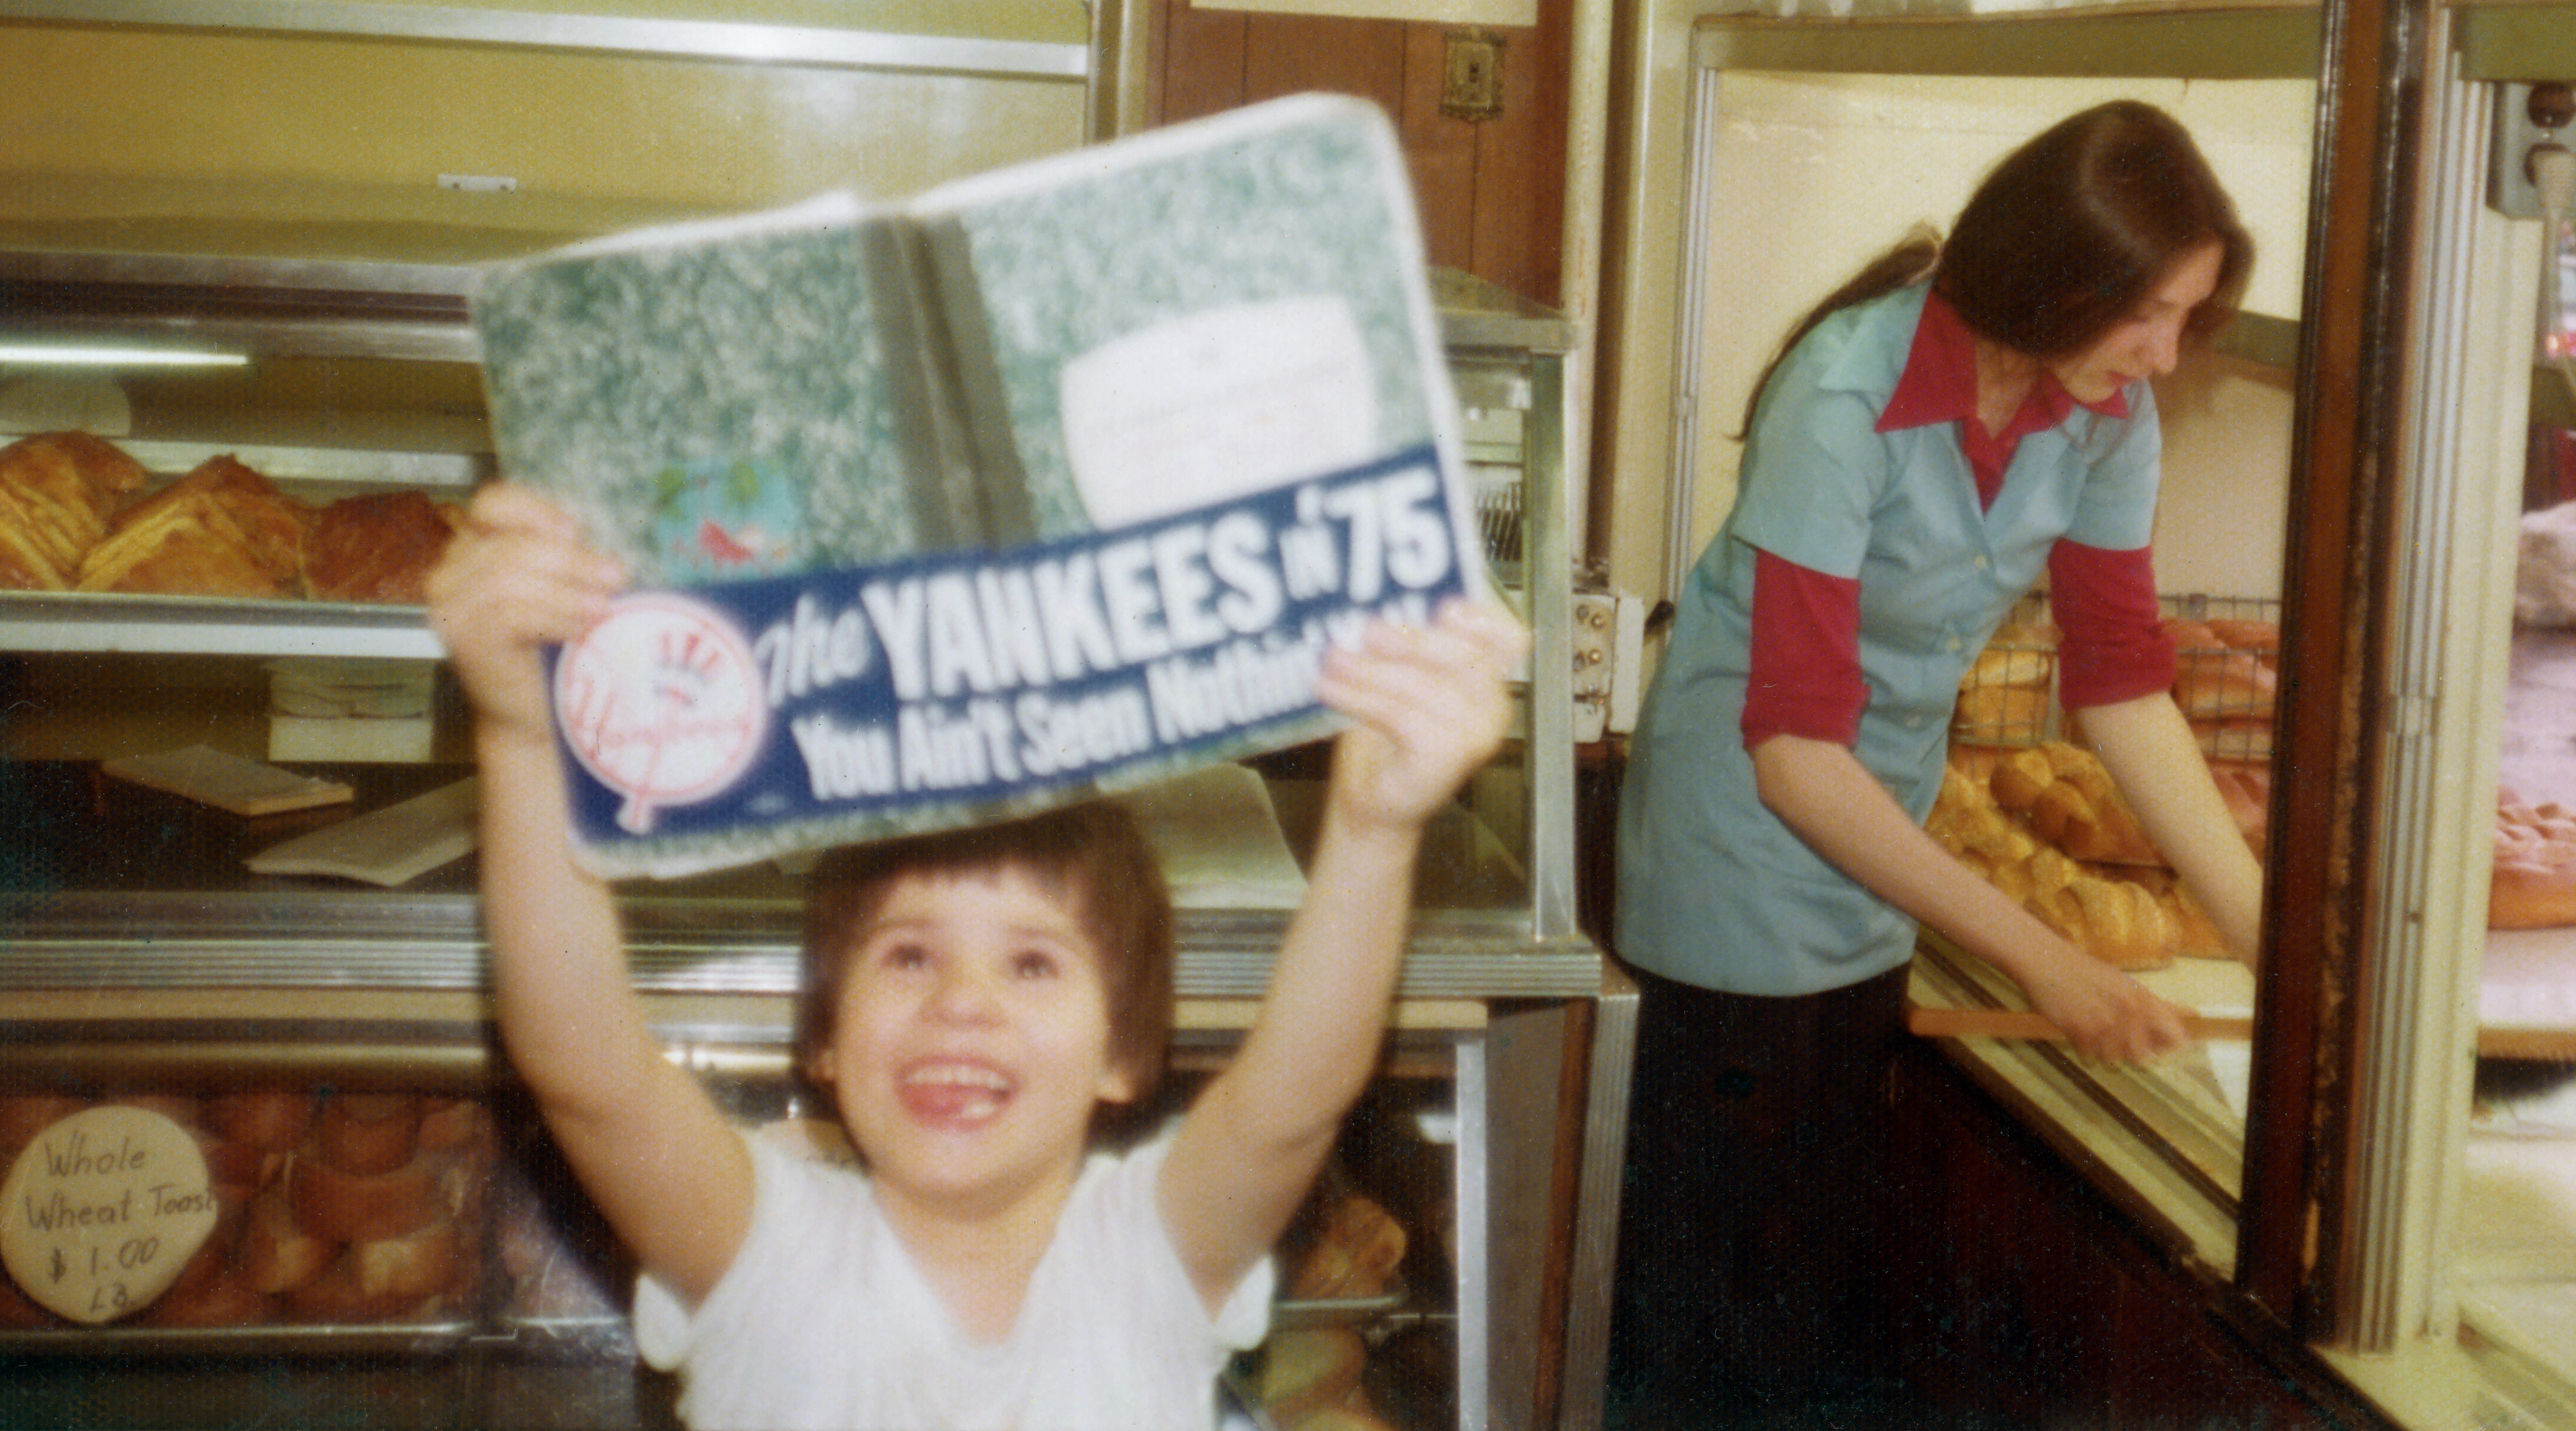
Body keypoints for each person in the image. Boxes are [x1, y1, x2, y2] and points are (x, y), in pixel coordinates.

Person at [431, 482, 1525, 1431]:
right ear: (822, 1040)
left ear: (1122, 1054)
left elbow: (1291, 1102)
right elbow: (587, 1074)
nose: (963, 1002)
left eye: (1034, 964)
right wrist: (525, 741)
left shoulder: (1146, 1257)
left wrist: (1374, 833)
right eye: (908, 957)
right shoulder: (761, 1255)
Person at [1604, 99, 2269, 1424]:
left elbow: (2121, 681)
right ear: (2046, 274)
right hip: (1741, 834)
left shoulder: (2099, 413)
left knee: (1817, 1243)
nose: (2163, 354)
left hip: (1879, 829)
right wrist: (2045, 955)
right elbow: (1793, 753)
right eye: (2142, 314)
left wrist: (2267, 934)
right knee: (1718, 1271)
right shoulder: (1846, 392)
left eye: (2187, 316)